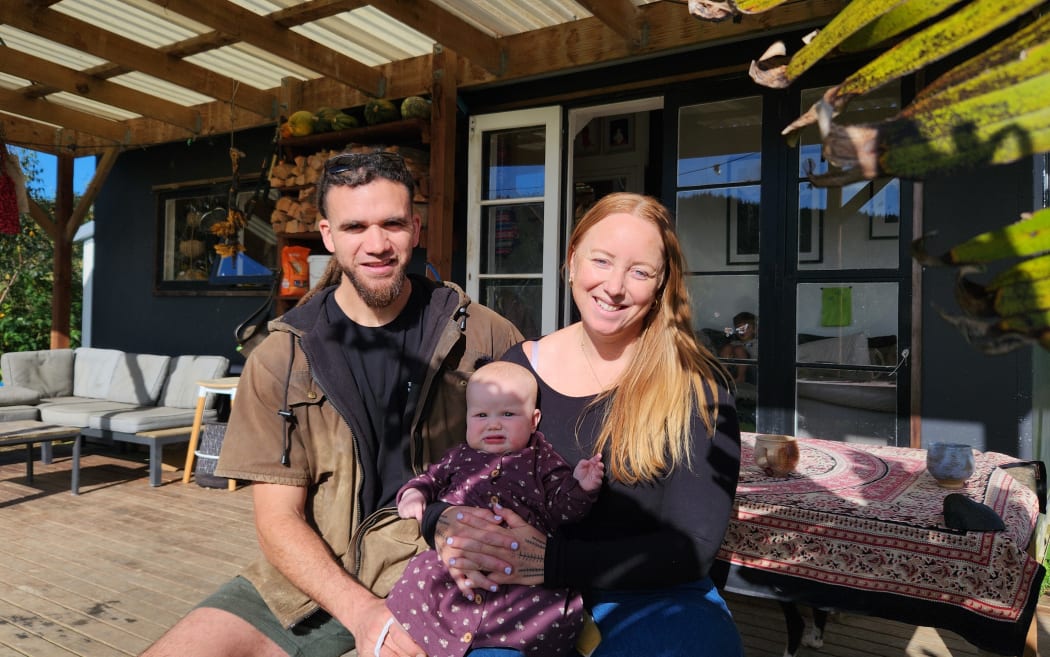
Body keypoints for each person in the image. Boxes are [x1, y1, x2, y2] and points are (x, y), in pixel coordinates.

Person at [139, 149, 523, 657]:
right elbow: (278, 521)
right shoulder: (283, 356)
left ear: (416, 224)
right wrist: (362, 612)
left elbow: (535, 455)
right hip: (314, 581)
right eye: (355, 226)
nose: (377, 244)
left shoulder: (480, 335)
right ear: (327, 235)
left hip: (442, 574)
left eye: (392, 223)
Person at [427, 192, 744, 657]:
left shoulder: (696, 386)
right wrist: (440, 521)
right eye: (602, 260)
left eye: (640, 271)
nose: (614, 286)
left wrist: (554, 561)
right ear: (573, 261)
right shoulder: (519, 371)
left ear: (660, 285)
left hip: (650, 596)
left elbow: (694, 547)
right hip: (520, 597)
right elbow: (465, 475)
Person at [387, 360, 604, 657]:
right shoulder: (459, 457)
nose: (493, 423)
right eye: (481, 415)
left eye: (508, 414)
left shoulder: (541, 459)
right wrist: (414, 493)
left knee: (548, 614)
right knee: (419, 579)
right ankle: (424, 641)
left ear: (533, 420)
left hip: (519, 573)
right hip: (456, 567)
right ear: (466, 420)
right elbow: (430, 478)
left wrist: (581, 487)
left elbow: (562, 510)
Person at [719, 311, 758, 384]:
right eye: (739, 329)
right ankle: (723, 375)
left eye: (746, 328)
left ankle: (741, 378)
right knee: (728, 347)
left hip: (753, 370)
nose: (742, 331)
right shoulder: (735, 343)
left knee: (738, 349)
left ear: (754, 330)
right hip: (735, 370)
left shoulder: (756, 342)